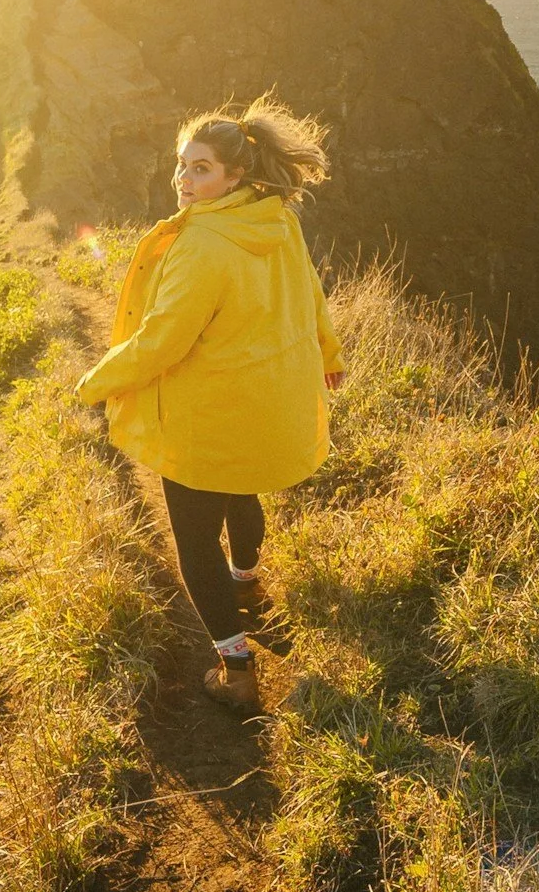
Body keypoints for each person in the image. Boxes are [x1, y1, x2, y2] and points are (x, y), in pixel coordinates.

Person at [75, 98, 343, 710]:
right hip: (259, 402)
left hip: (203, 416)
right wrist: (328, 354)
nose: (183, 181)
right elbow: (311, 297)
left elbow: (162, 342)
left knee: (196, 546)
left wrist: (95, 382)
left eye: (200, 169)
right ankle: (247, 584)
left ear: (235, 176)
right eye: (181, 166)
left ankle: (237, 671)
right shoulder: (278, 220)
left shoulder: (201, 245)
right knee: (243, 491)